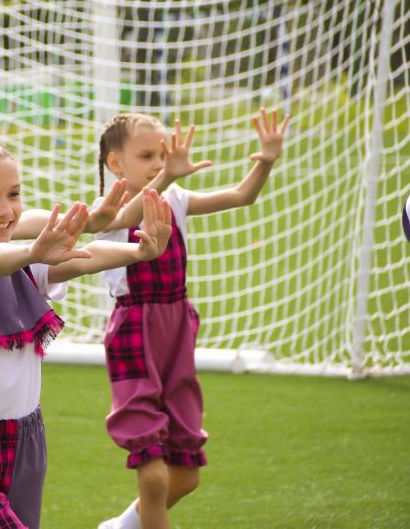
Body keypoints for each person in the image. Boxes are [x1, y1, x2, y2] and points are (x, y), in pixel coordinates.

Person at [0, 137, 172, 529]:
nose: (5, 209)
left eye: (14, 194)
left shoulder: (26, 270)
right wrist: (32, 252)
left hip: (26, 443)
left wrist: (137, 253)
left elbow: (86, 258)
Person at [94, 108, 289, 529]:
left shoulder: (175, 199)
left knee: (186, 475)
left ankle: (120, 527)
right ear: (115, 163)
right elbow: (128, 218)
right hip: (135, 329)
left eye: (163, 156)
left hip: (178, 326)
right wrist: (167, 178)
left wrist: (267, 160)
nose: (159, 165)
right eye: (148, 156)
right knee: (153, 466)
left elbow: (242, 196)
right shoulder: (107, 209)